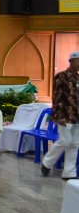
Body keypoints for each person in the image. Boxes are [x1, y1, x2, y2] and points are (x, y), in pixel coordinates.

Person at [41, 51, 79, 180]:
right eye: (78, 60)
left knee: (74, 144)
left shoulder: (78, 78)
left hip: (77, 117)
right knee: (65, 141)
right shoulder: (61, 76)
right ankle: (46, 163)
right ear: (71, 61)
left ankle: (69, 172)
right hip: (65, 115)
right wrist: (58, 115)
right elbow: (56, 97)